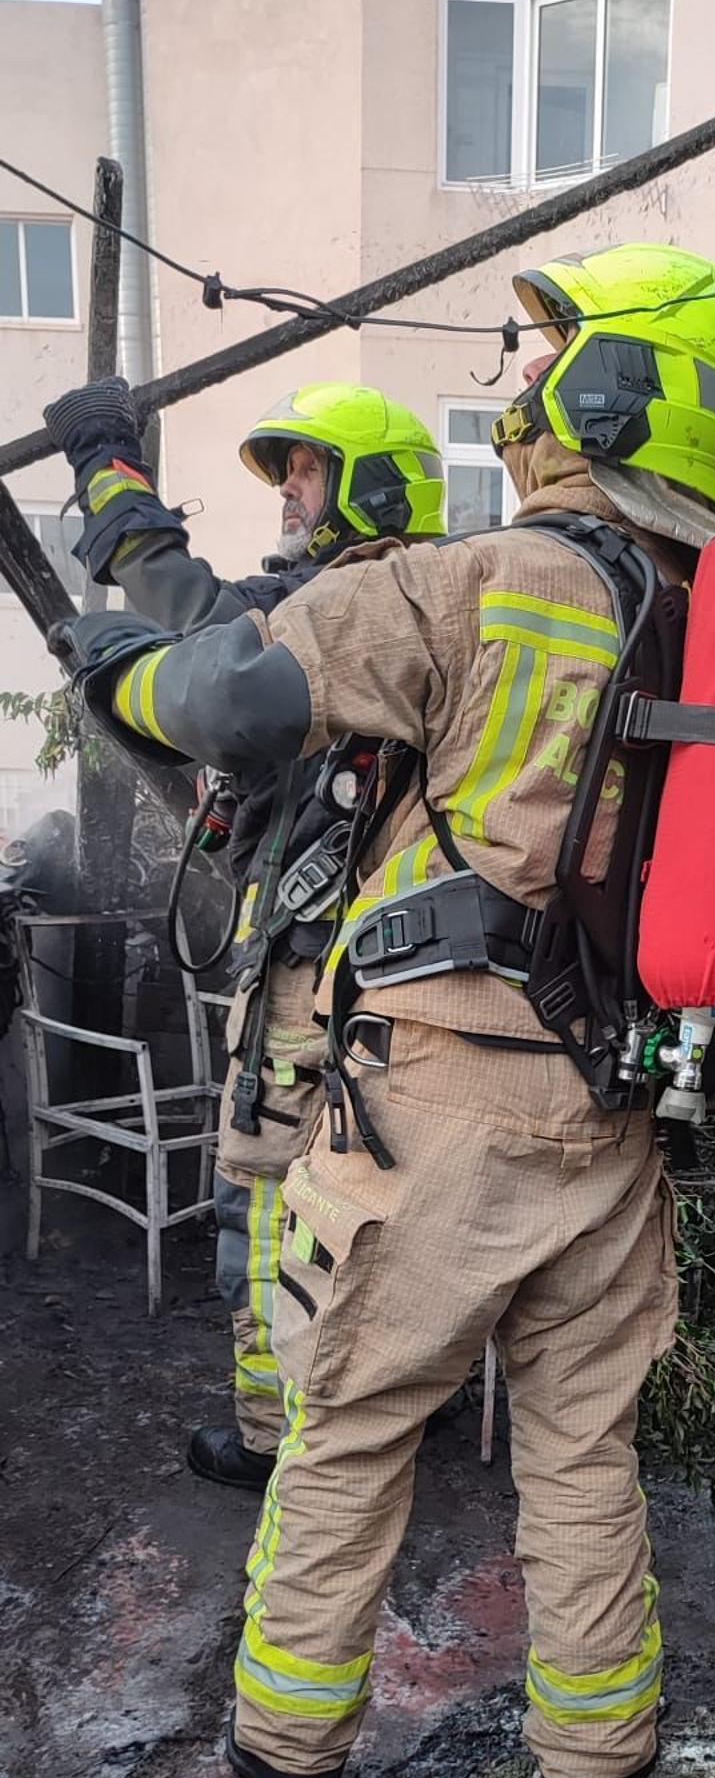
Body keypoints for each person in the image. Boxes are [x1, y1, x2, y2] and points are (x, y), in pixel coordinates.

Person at [62, 241, 715, 1778]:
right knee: (585, 1452)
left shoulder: (483, 578)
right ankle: (596, 1767)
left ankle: (288, 1756)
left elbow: (239, 702)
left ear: (615, 387)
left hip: (438, 1105)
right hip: (615, 1111)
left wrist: (120, 670)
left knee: (346, 1432)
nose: (517, 376)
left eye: (546, 350)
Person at [43, 376, 445, 1488]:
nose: (290, 492)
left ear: (371, 489)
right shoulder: (431, 616)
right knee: (371, 1205)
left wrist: (105, 468)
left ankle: (279, 1439)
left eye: (309, 470)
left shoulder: (334, 618)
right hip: (399, 983)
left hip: (308, 984)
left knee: (264, 1202)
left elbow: (177, 598)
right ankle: (375, 1413)